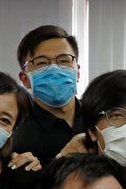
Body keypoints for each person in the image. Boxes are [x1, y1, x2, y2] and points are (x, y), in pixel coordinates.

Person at [13, 25, 83, 163]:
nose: (54, 69)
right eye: (42, 63)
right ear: (25, 79)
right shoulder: (15, 135)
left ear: (78, 72)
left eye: (64, 60)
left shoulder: (99, 119)